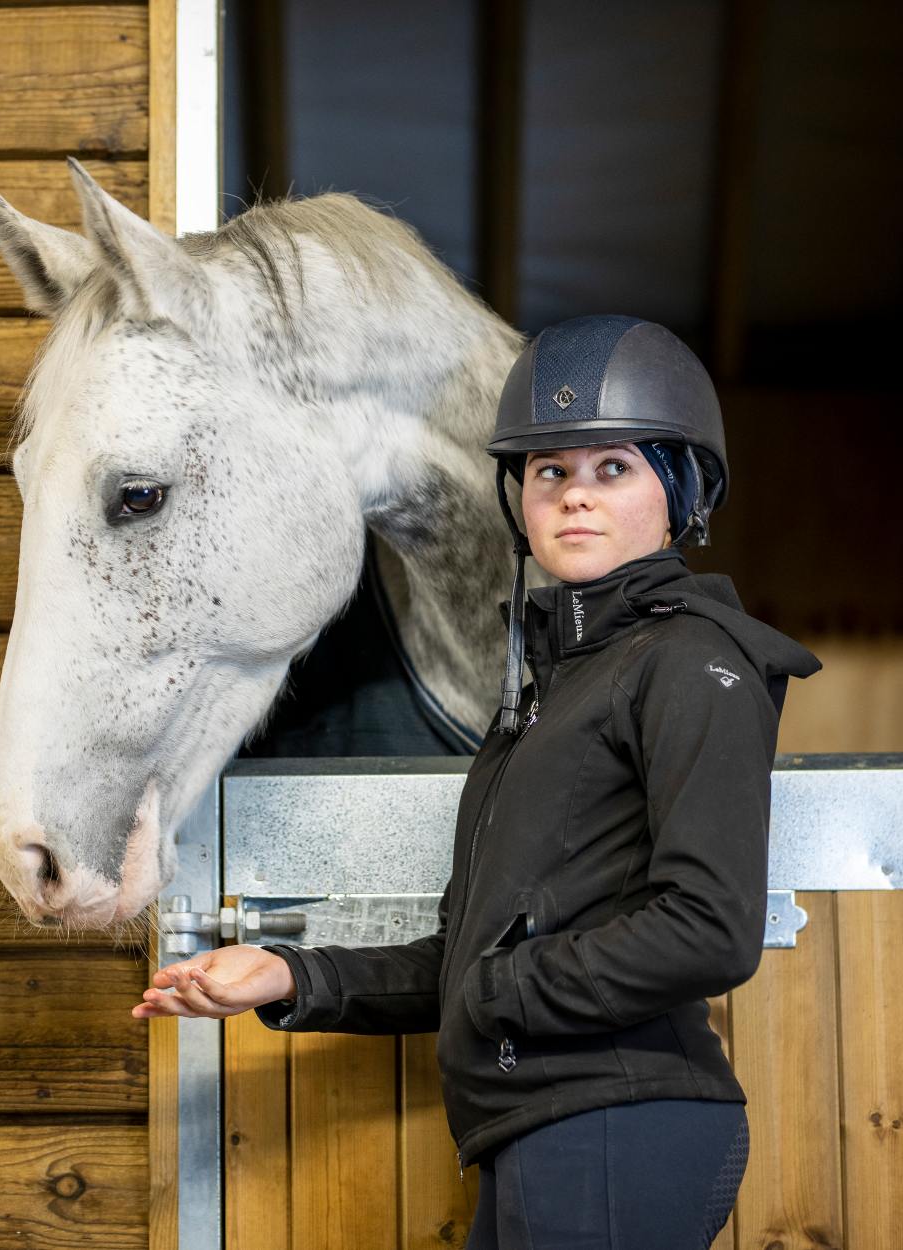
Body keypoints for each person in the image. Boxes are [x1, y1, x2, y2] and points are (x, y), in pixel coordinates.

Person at [132, 314, 821, 1249]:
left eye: (611, 469)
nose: (576, 497)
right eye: (550, 474)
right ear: (520, 502)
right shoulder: (552, 694)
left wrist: (507, 991)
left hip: (616, 1118)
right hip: (543, 1125)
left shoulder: (695, 664)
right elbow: (465, 959)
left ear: (682, 490)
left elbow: (710, 927)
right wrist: (290, 973)